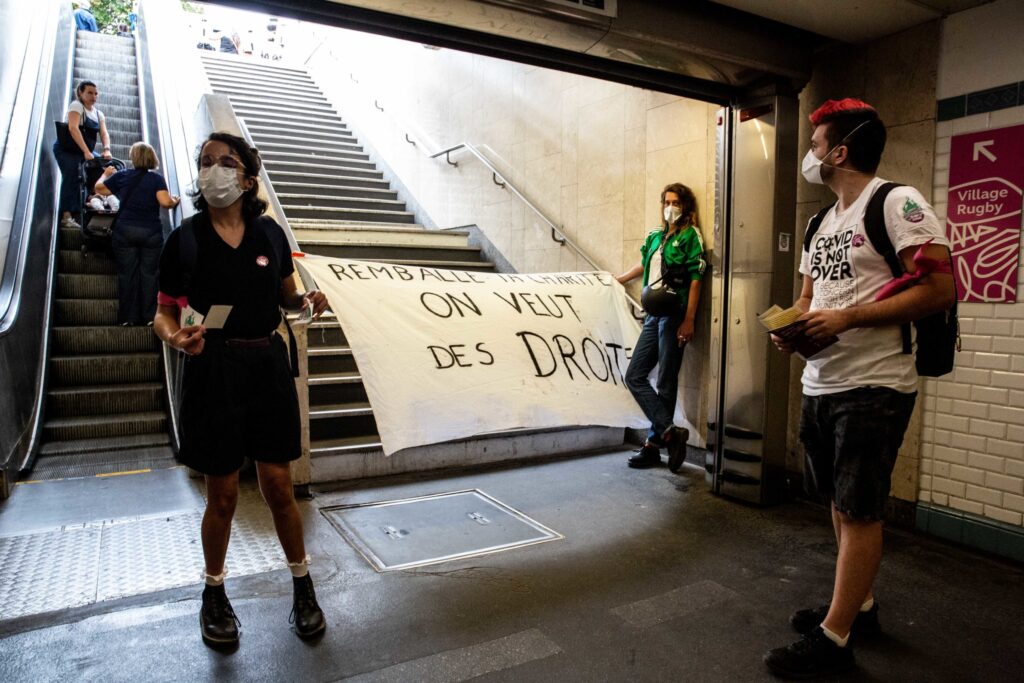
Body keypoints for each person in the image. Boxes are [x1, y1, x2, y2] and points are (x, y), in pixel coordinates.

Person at [763, 99, 955, 679]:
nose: (810, 154)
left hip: (875, 386)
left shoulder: (897, 203)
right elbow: (809, 298)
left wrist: (846, 320)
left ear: (839, 152)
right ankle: (859, 608)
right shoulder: (821, 223)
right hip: (821, 382)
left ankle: (836, 640)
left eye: (815, 143)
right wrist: (793, 328)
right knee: (840, 506)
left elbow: (940, 287)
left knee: (859, 509)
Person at [153, 132, 330, 648]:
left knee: (279, 486)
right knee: (223, 493)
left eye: (226, 162)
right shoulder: (183, 239)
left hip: (266, 365)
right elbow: (162, 312)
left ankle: (302, 586)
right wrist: (175, 336)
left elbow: (289, 297)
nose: (214, 171)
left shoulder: (270, 235)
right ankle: (213, 594)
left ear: (248, 177)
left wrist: (307, 303)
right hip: (212, 370)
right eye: (205, 162)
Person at [616, 183, 706, 472]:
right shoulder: (655, 236)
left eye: (676, 202)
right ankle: (670, 431)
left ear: (686, 206)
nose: (670, 207)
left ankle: (653, 446)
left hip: (673, 315)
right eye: (667, 201)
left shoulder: (691, 236)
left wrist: (689, 319)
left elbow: (695, 279)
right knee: (635, 375)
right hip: (652, 316)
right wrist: (617, 279)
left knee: (666, 380)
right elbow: (645, 266)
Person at [94, 142, 179, 326]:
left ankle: (128, 318)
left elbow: (99, 189)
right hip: (150, 233)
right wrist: (174, 200)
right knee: (150, 274)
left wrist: (106, 174)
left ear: (133, 157)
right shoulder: (156, 179)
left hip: (124, 232)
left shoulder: (122, 176)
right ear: (152, 158)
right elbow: (165, 202)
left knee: (127, 274)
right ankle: (149, 317)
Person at [53, 80, 111, 229]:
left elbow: (104, 133)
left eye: (96, 93)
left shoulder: (98, 113)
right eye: (90, 93)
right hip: (67, 150)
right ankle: (67, 216)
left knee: (104, 169)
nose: (94, 96)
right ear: (80, 93)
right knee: (72, 174)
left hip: (84, 151)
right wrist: (86, 151)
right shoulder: (76, 105)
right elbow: (73, 128)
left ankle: (92, 199)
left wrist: (106, 149)